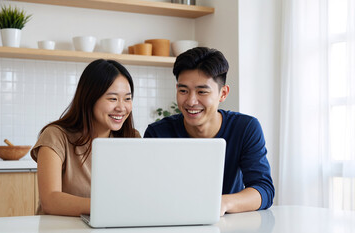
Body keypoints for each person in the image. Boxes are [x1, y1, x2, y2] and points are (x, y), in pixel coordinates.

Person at [144, 47, 275, 215]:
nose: (191, 101)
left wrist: (222, 203)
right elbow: (149, 193)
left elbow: (263, 190)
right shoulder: (157, 134)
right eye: (183, 91)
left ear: (223, 93)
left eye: (202, 92)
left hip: (228, 226)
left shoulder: (245, 128)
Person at [31, 59, 140, 216]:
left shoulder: (132, 138)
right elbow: (50, 200)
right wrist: (108, 206)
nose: (121, 107)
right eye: (113, 98)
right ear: (90, 98)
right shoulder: (55, 136)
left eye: (127, 98)